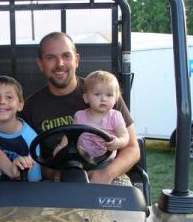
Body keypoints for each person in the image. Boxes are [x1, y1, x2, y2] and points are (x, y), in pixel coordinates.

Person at [20, 32, 140, 184]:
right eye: (50, 57)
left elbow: (132, 148)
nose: (60, 64)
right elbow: (29, 157)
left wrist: (107, 174)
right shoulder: (30, 107)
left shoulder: (105, 93)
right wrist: (53, 175)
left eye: (66, 56)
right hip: (56, 182)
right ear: (40, 64)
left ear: (76, 60)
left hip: (106, 173)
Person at [53, 70, 129, 169]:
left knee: (116, 182)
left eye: (109, 95)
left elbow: (124, 135)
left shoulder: (115, 116)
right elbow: (70, 134)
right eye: (97, 94)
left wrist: (119, 142)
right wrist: (61, 147)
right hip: (81, 159)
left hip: (106, 162)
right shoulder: (80, 116)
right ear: (86, 98)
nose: (103, 99)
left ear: (116, 99)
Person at [0, 76, 41, 182]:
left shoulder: (31, 138)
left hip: (17, 193)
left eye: (9, 97)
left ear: (20, 105)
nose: (2, 101)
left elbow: (34, 180)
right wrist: (12, 171)